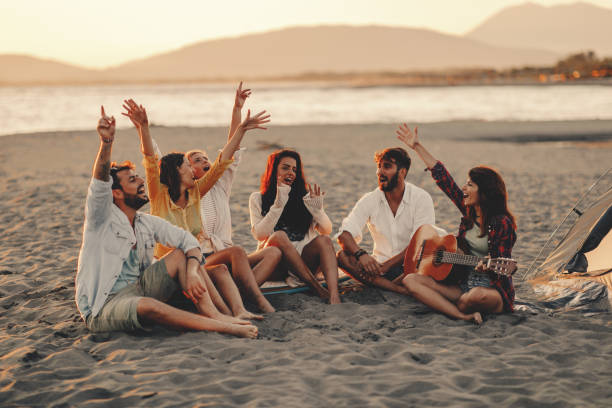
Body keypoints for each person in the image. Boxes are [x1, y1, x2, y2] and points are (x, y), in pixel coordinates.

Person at [74, 107, 257, 338]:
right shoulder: (100, 220)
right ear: (117, 194)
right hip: (104, 305)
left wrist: (191, 270)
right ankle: (222, 325)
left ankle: (218, 315)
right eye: (132, 179)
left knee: (183, 255)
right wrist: (107, 142)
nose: (140, 180)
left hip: (141, 287)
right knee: (150, 307)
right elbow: (102, 182)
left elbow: (187, 241)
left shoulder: (144, 222)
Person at [122, 98, 271, 319]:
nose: (194, 171)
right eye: (188, 166)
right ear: (177, 172)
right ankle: (224, 316)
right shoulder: (159, 195)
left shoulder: (195, 194)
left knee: (219, 270)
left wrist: (241, 130)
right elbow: (150, 160)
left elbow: (222, 163)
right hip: (171, 271)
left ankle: (239, 312)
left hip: (194, 266)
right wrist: (143, 127)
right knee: (203, 263)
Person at [397, 124, 517, 324]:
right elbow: (444, 179)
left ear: (484, 192)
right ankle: (461, 314)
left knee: (475, 296)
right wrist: (416, 146)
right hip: (461, 284)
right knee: (410, 280)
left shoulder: (502, 223)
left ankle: (459, 306)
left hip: (490, 290)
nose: (464, 187)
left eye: (470, 184)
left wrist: (487, 266)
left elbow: (502, 262)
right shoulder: (469, 214)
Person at [184, 83, 282, 312]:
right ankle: (257, 299)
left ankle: (239, 292)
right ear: (188, 170)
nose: (204, 161)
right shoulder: (187, 196)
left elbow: (231, 149)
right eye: (197, 160)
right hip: (204, 261)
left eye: (205, 157)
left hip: (227, 258)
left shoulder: (220, 186)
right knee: (238, 251)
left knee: (273, 252)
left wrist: (237, 108)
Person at [336, 147, 435, 294]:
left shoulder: (421, 198)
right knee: (342, 257)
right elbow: (344, 235)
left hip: (411, 267)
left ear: (402, 172)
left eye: (387, 166)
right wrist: (361, 254)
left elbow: (420, 244)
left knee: (423, 264)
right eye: (379, 167)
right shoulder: (370, 199)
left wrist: (387, 266)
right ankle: (398, 289)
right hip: (379, 269)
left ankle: (384, 286)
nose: (380, 172)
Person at [249, 149, 341, 304]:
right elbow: (260, 235)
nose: (290, 172)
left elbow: (327, 230)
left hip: (304, 261)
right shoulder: (258, 198)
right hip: (277, 264)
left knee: (324, 240)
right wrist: (279, 204)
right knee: (279, 236)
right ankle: (316, 287)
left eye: (294, 169)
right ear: (274, 170)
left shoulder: (305, 198)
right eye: (285, 168)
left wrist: (318, 212)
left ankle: (334, 296)